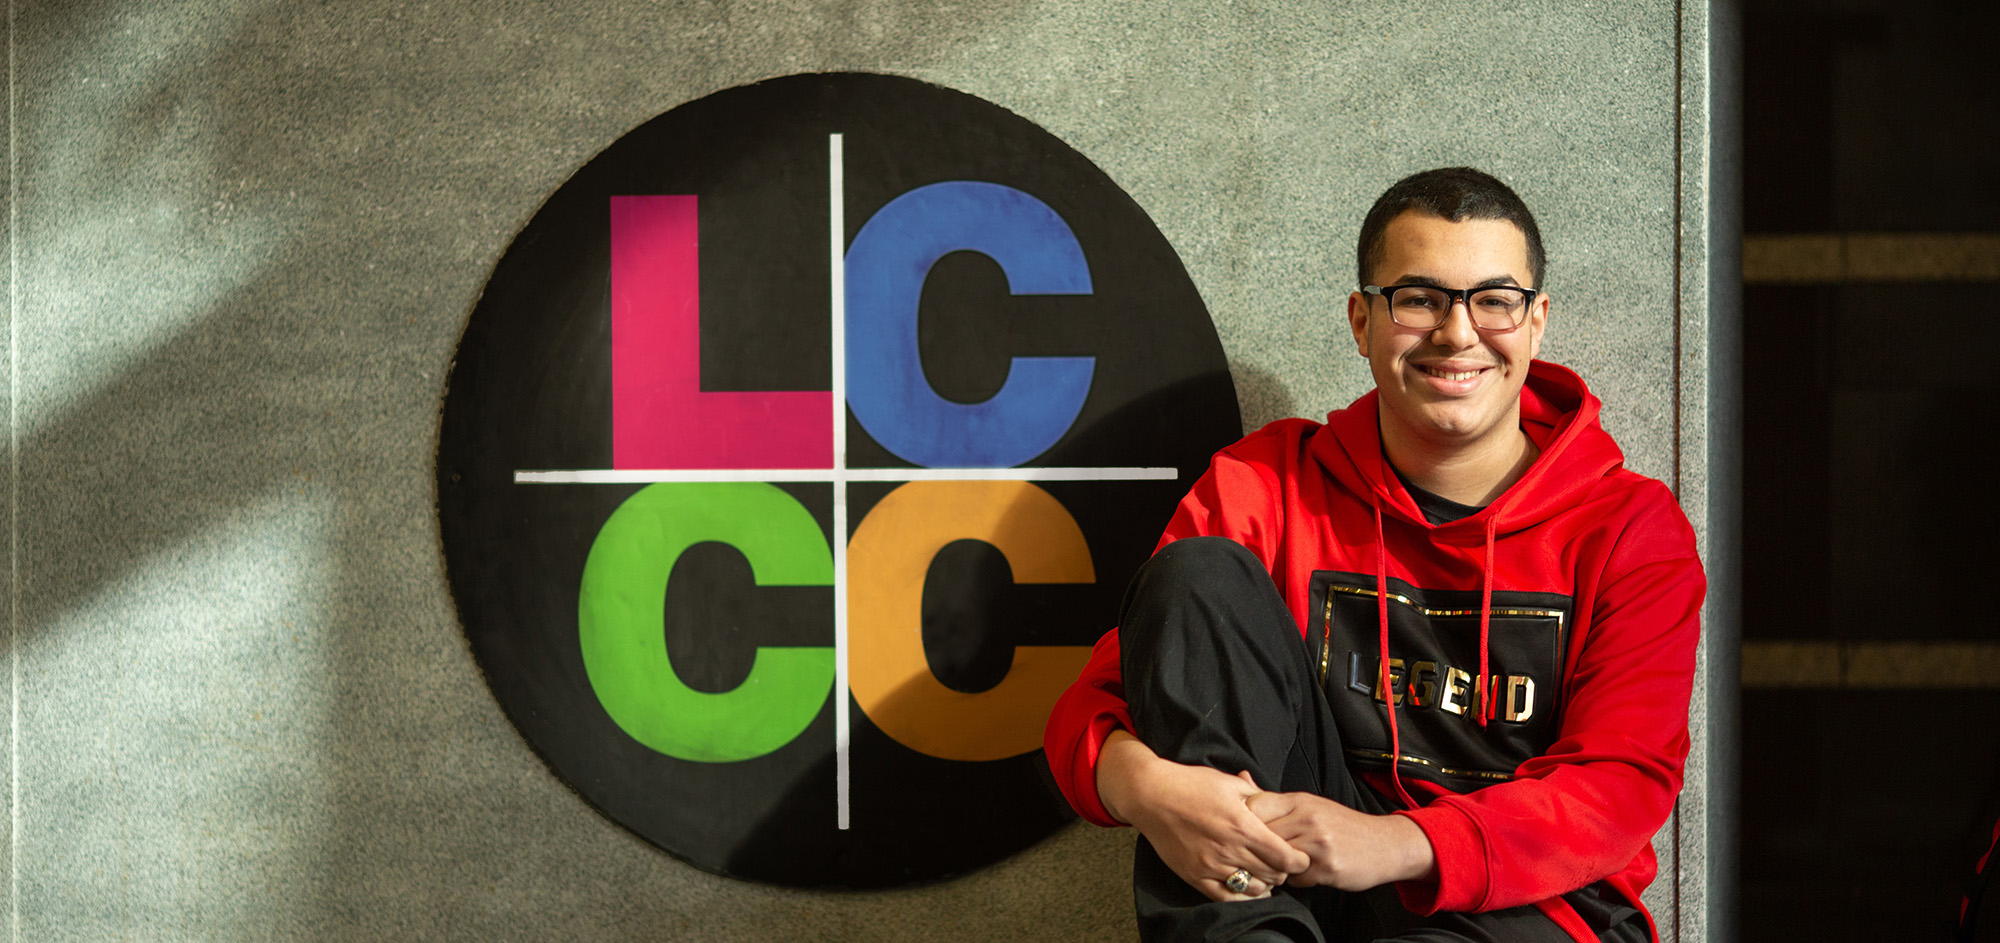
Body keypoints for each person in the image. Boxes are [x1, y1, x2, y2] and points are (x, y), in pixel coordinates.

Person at [1043, 167, 1704, 943]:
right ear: (1363, 321)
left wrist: (1394, 843)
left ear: (1535, 322)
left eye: (1494, 300)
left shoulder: (1628, 526)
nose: (1458, 333)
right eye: (1420, 298)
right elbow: (1091, 708)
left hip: (1528, 913)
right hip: (1292, 889)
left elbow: (1618, 785)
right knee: (1198, 575)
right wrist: (1147, 788)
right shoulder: (1268, 485)